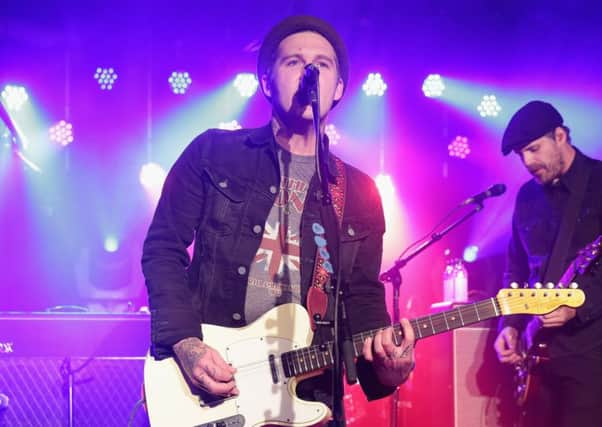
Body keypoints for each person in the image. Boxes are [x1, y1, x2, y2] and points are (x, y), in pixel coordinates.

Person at [141, 14, 415, 423]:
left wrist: (389, 369)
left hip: (306, 394)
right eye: (293, 62)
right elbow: (163, 248)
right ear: (267, 81)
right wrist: (185, 342)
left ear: (338, 87)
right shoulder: (214, 154)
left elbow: (361, 296)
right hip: (214, 383)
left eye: (321, 64)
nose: (308, 71)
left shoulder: (357, 191)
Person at [493, 100, 602, 427]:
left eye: (534, 149)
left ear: (560, 136)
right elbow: (516, 268)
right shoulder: (527, 196)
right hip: (537, 358)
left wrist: (576, 309)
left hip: (589, 355)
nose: (528, 161)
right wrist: (510, 325)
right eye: (521, 154)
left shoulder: (598, 185)